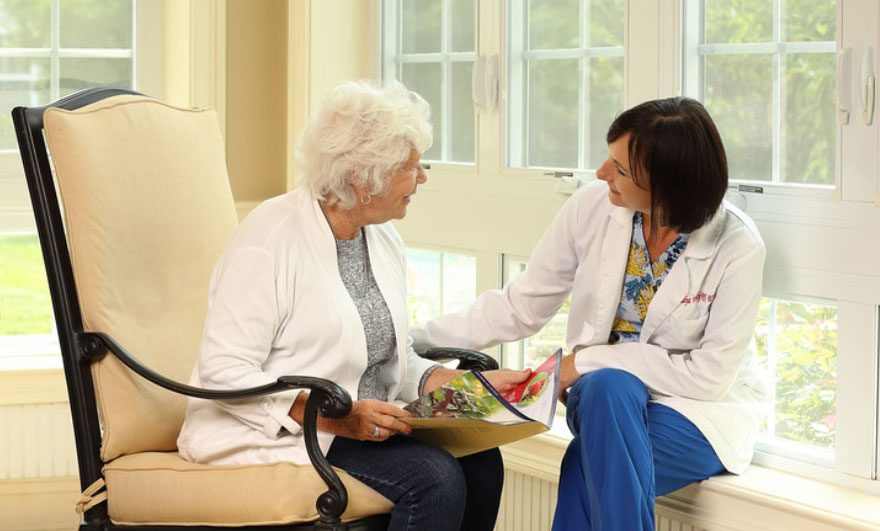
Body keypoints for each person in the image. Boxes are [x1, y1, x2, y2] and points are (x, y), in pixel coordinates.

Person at [177, 80, 529, 531]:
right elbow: (224, 369)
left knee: (482, 462)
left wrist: (476, 388)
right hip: (284, 428)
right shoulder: (269, 237)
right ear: (363, 178)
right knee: (435, 479)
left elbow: (394, 362)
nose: (422, 178)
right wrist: (339, 419)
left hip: (366, 422)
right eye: (411, 166)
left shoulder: (382, 236)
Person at [410, 97, 767, 530]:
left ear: (666, 186)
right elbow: (521, 304)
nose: (601, 174)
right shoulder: (593, 206)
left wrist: (585, 361)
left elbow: (709, 377)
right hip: (600, 399)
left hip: (696, 415)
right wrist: (415, 341)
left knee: (587, 457)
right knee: (607, 390)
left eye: (620, 169)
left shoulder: (737, 247)